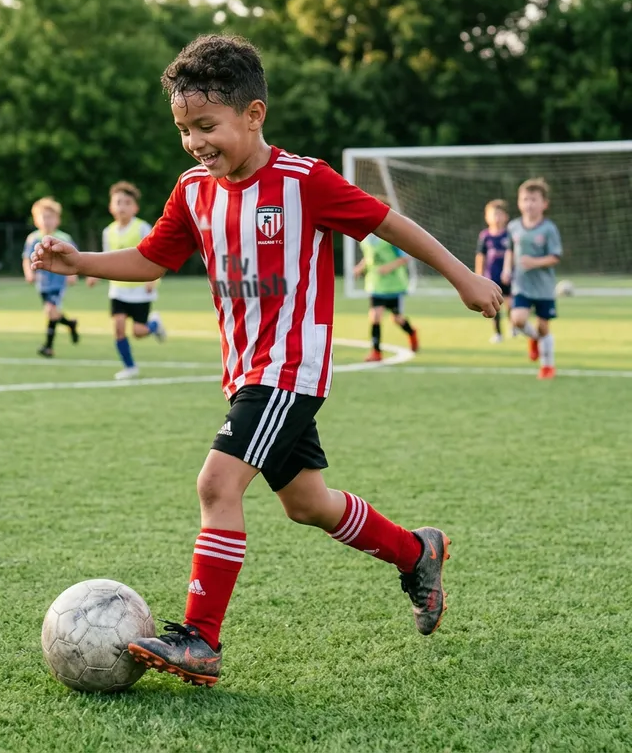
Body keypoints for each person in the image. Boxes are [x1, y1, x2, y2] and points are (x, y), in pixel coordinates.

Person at [30, 35, 502, 687]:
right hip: (246, 371)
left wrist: (463, 276)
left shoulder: (305, 183)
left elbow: (390, 224)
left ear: (253, 115)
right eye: (183, 129)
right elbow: (154, 260)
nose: (195, 141)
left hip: (289, 368)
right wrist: (78, 261)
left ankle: (200, 639)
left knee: (216, 486)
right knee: (308, 502)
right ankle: (417, 552)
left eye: (207, 126)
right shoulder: (194, 190)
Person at [87, 181, 166, 380]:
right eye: (118, 202)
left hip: (140, 289)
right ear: (111, 207)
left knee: (139, 332)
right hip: (118, 289)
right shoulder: (108, 231)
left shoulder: (142, 228)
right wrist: (94, 274)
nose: (122, 206)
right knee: (119, 327)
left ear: (135, 207)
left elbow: (156, 254)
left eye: (127, 202)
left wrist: (152, 279)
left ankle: (154, 325)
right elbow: (106, 257)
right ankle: (130, 367)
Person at [501, 178, 562, 380]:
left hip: (544, 287)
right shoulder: (513, 227)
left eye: (534, 199)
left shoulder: (548, 229)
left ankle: (547, 366)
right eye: (525, 199)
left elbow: (555, 257)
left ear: (544, 204)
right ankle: (533, 339)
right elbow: (510, 250)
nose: (529, 204)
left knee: (544, 327)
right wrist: (506, 269)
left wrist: (534, 262)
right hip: (522, 285)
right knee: (517, 320)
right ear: (519, 203)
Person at [353, 203, 419, 361]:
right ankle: (376, 352)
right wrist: (360, 267)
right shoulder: (366, 237)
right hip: (375, 284)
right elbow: (370, 257)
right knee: (375, 316)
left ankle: (411, 332)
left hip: (393, 285)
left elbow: (405, 256)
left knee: (397, 318)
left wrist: (389, 267)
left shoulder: (392, 236)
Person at [21, 197, 79, 358]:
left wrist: (72, 274)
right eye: (43, 217)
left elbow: (75, 258)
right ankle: (70, 324)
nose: (47, 221)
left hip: (59, 282)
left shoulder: (64, 238)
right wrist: (29, 273)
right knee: (52, 313)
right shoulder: (33, 238)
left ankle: (48, 346)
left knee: (50, 310)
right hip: (43, 284)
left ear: (57, 220)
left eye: (50, 217)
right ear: (36, 220)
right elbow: (26, 258)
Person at [475, 199, 511, 343]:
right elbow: (480, 256)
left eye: (499, 214)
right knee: (494, 306)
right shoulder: (485, 236)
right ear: (487, 217)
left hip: (508, 276)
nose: (496, 218)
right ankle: (498, 333)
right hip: (491, 277)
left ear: (505, 217)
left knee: (510, 304)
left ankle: (513, 325)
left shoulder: (509, 235)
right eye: (493, 215)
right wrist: (478, 275)